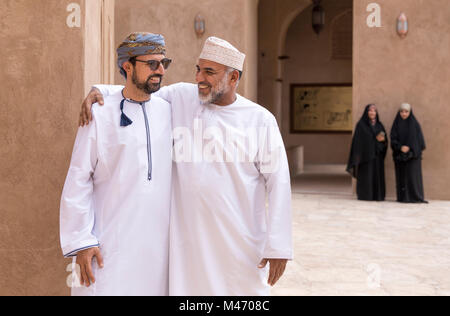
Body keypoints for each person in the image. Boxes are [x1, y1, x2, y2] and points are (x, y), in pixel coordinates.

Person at [80, 36, 293, 296]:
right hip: (189, 245)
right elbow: (140, 92)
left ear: (233, 78)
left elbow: (279, 183)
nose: (199, 78)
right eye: (198, 69)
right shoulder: (182, 97)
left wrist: (278, 246)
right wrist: (100, 91)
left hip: (239, 243)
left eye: (209, 72)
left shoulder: (260, 120)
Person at [60, 33, 173, 296]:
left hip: (157, 251)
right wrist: (82, 241)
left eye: (164, 63)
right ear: (127, 66)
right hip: (110, 245)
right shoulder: (99, 113)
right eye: (152, 64)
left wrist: (103, 87)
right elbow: (78, 178)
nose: (160, 71)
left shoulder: (169, 110)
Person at [346, 104, 388, 201]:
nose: (372, 112)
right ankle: (366, 196)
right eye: (370, 110)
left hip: (377, 157)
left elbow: (385, 141)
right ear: (366, 112)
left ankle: (378, 196)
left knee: (376, 176)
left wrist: (381, 141)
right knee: (367, 176)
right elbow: (357, 142)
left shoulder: (379, 125)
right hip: (365, 157)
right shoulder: (361, 125)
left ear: (376, 113)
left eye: (374, 111)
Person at [390, 103, 427, 203]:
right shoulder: (396, 124)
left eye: (406, 112)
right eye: (401, 111)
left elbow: (420, 142)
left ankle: (415, 197)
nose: (404, 114)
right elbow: (393, 139)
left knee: (412, 177)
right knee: (402, 177)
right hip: (400, 156)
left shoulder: (415, 124)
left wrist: (410, 148)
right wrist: (400, 147)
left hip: (413, 156)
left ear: (410, 113)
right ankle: (403, 198)